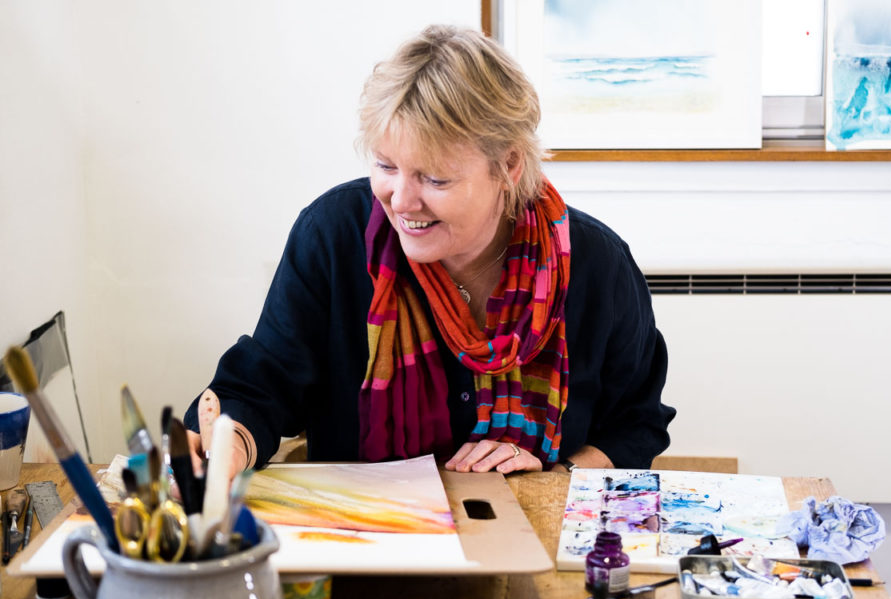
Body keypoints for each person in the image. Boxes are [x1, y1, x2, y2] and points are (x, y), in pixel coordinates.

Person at [184, 25, 674, 478]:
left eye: (434, 178)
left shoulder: (597, 265)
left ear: (507, 165)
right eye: (386, 165)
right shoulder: (333, 235)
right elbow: (262, 390)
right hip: (366, 542)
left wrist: (557, 477)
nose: (401, 200)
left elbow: (636, 426)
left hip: (530, 540)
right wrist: (229, 445)